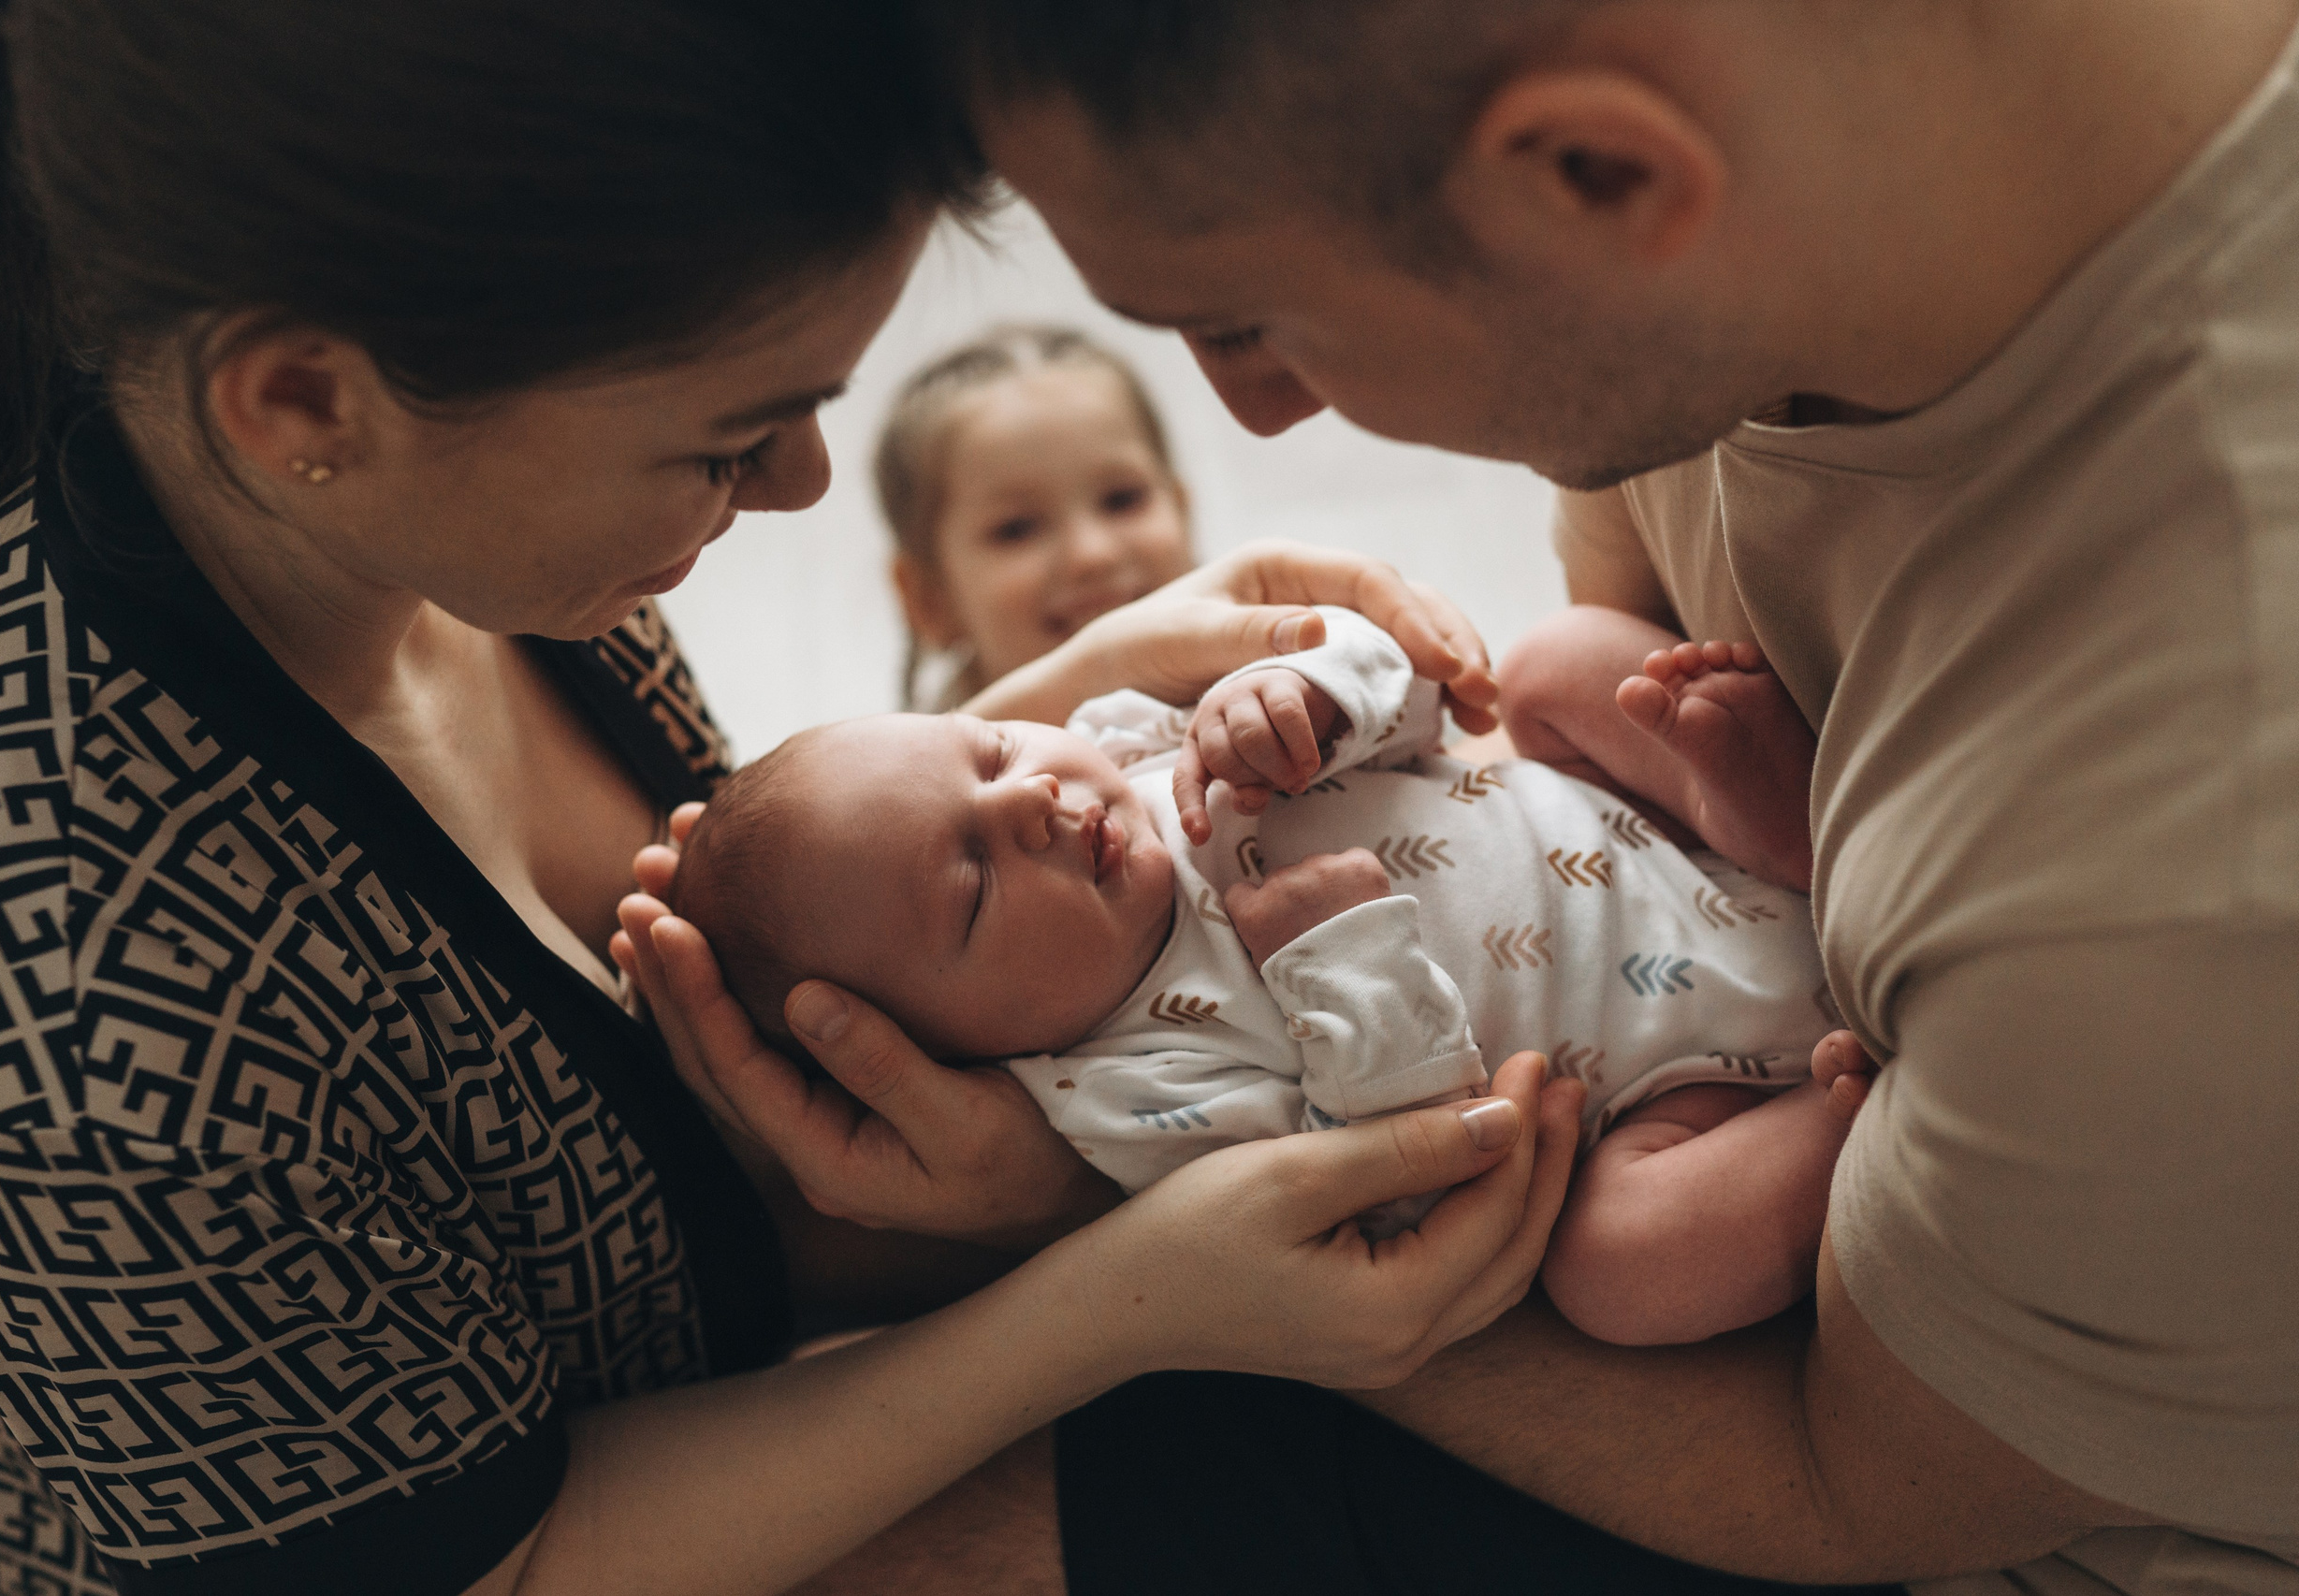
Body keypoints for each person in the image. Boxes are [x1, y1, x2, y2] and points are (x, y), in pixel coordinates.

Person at [0, 4, 1576, 1594]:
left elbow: (708, 951)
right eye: (728, 441)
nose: (798, 493)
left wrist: (1071, 690)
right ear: (309, 405)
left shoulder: (422, 526)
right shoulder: (89, 997)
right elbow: (479, 1560)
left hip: (722, 1309)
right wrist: (1107, 1299)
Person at [839, 0, 2292, 1592]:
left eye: (1247, 315)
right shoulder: (1739, 250)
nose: (1257, 414)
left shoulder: (2190, 879)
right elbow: (1562, 698)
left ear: (1595, 173)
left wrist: (1116, 1237)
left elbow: (1835, 1491)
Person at [672, 603, 1855, 1342]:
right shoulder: (1122, 1091)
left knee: (1552, 664)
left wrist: (1308, 697)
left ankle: (1758, 814)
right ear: (958, 1048)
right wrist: (1340, 960)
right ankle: (1851, 1105)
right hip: (1681, 1085)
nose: (1028, 801)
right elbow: (1387, 1183)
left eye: (989, 751)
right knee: (1623, 1270)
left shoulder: (1146, 745)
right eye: (973, 885)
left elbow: (1419, 693)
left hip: (1657, 832)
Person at [877, 324, 1194, 712]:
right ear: (929, 599)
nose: (1092, 554)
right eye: (1017, 529)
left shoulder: (1279, 681)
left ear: (1182, 512)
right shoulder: (921, 770)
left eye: (1122, 499)